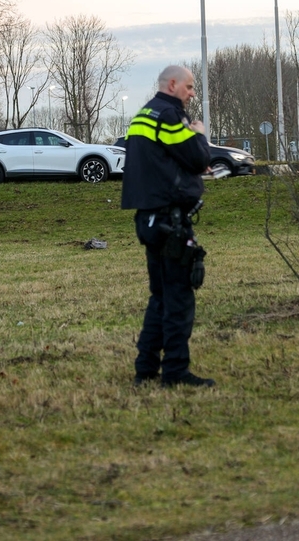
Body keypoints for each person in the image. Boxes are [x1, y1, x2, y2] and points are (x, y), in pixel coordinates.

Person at [121, 65, 214, 388]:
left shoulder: (142, 117)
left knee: (160, 295)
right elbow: (197, 157)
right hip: (170, 221)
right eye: (189, 87)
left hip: (148, 218)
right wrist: (199, 134)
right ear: (172, 84)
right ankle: (175, 371)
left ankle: (145, 368)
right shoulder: (169, 116)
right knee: (178, 299)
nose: (191, 94)